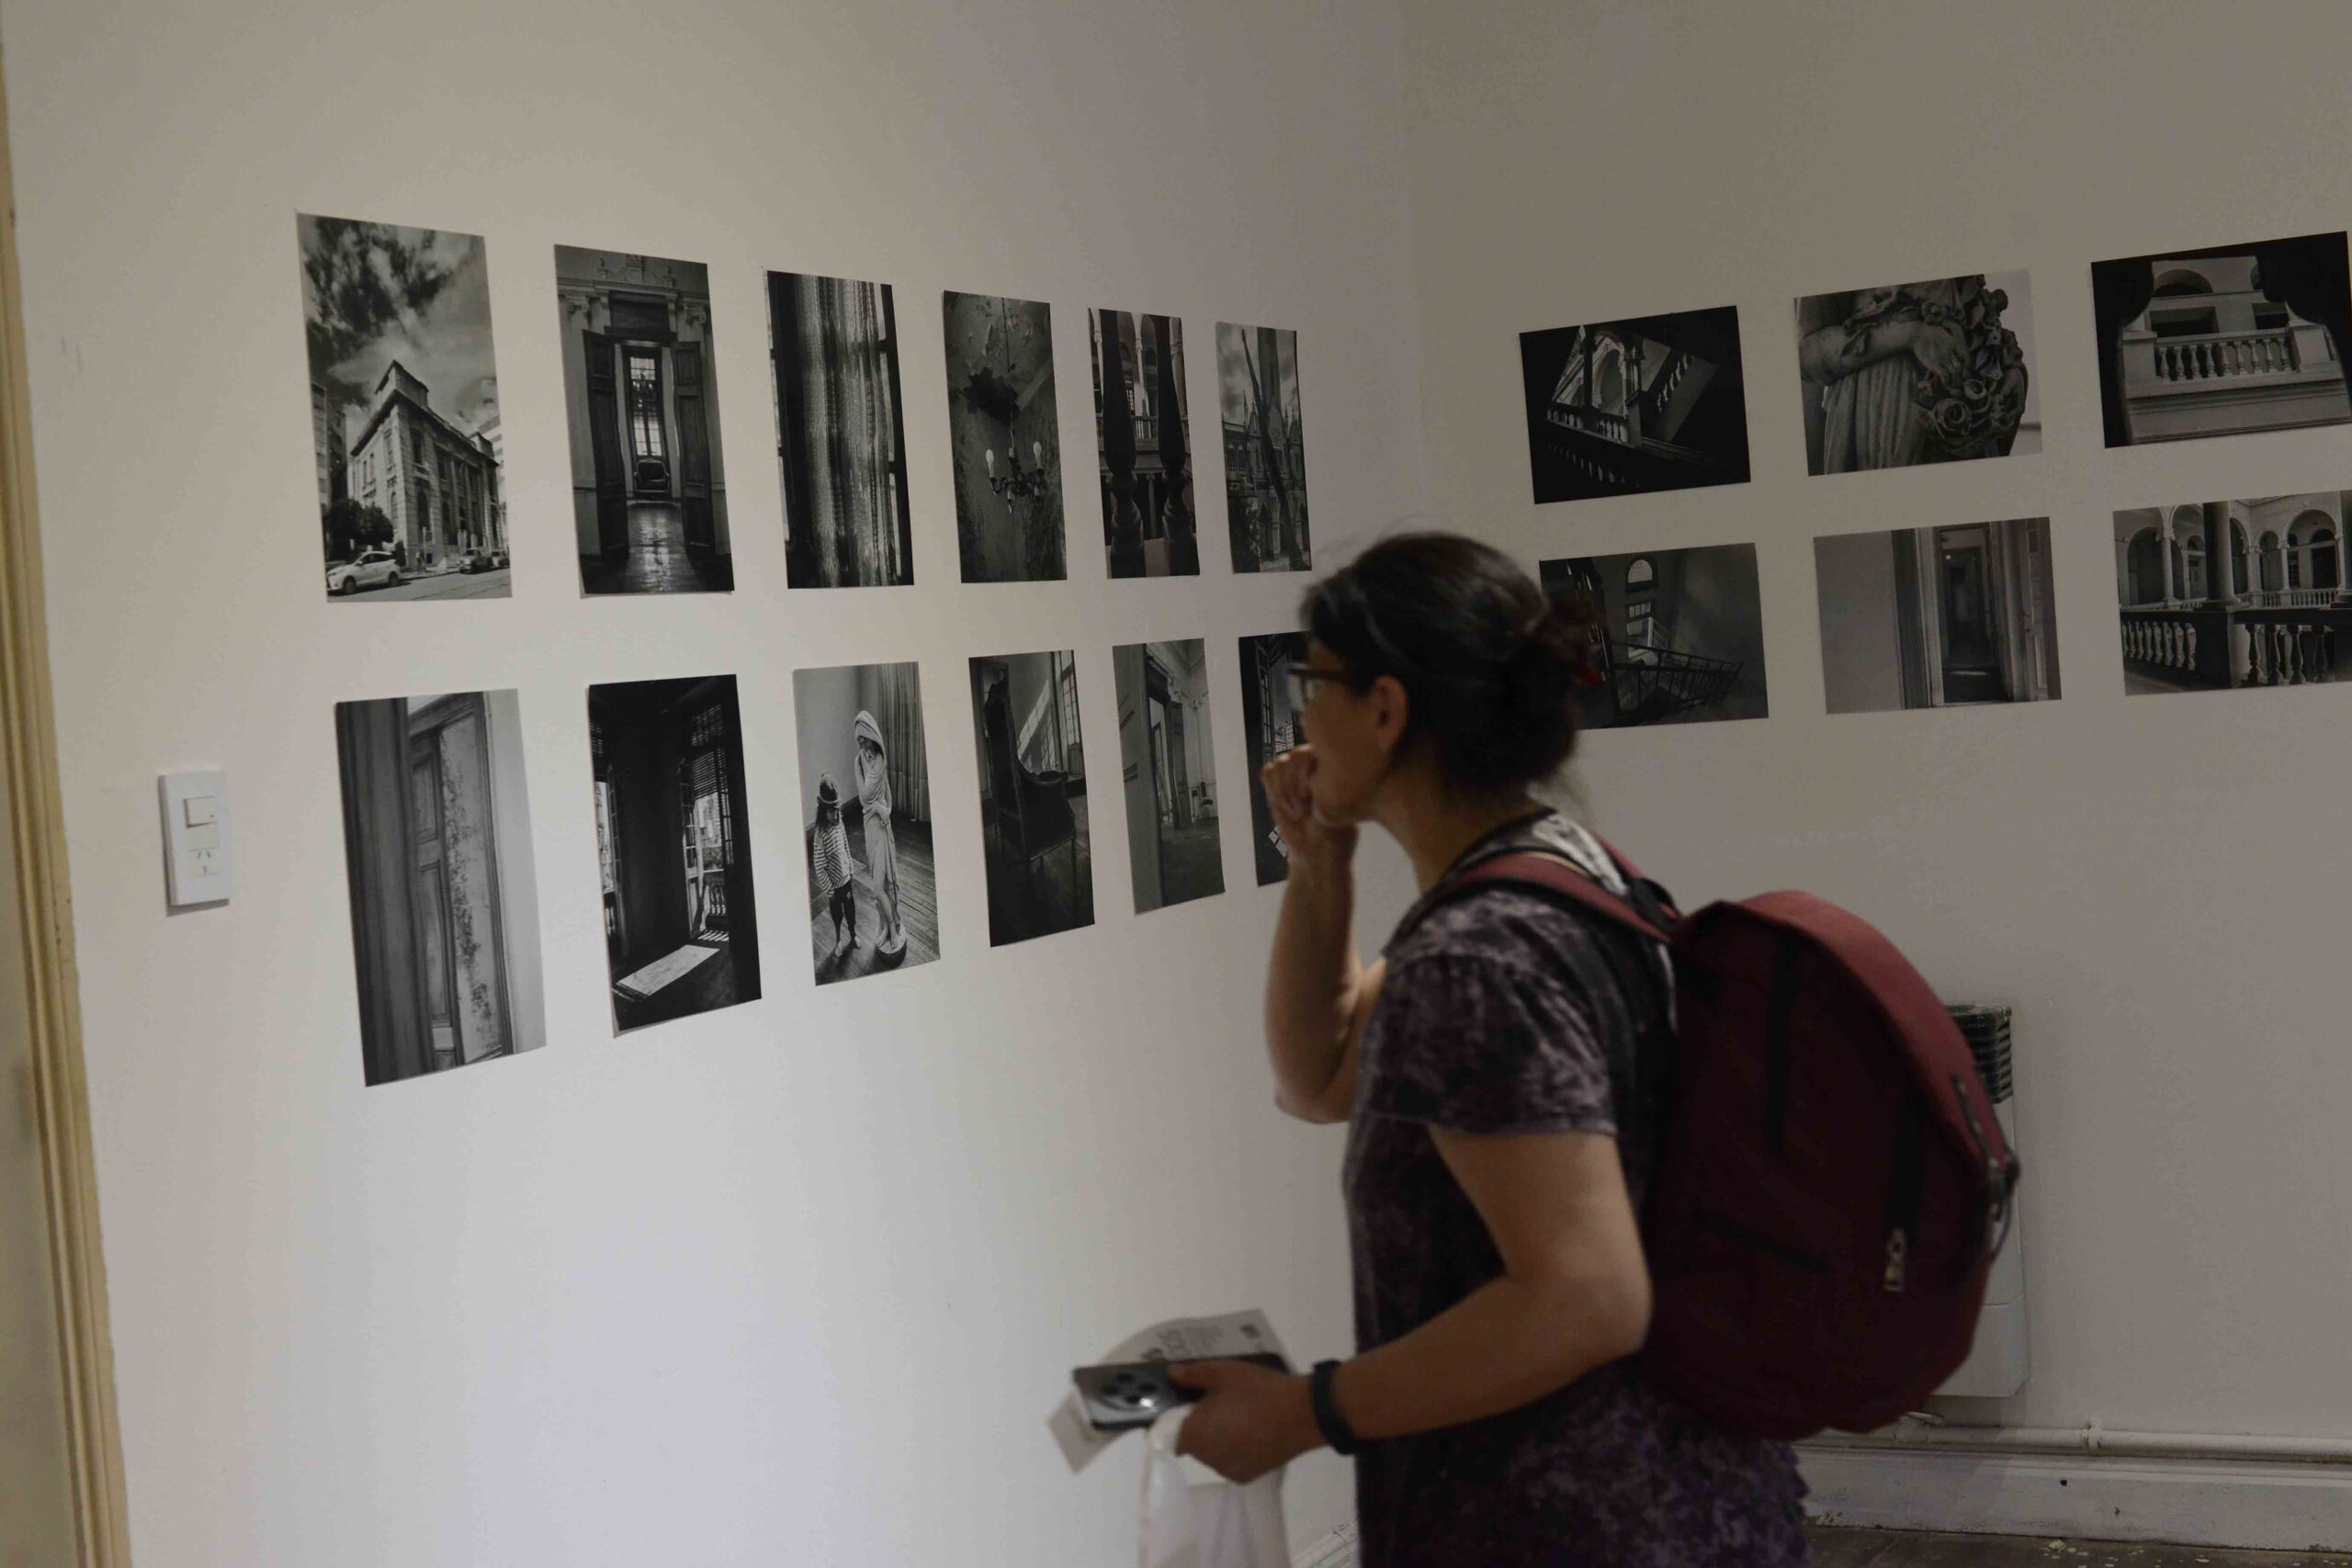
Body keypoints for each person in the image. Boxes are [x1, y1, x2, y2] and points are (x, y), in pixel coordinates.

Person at [1168, 533, 1810, 1565]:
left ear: (1384, 710)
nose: (1302, 718)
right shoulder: (1560, 872)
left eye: (1313, 686)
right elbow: (1319, 1075)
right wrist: (1319, 859)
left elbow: (1587, 1296)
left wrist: (1303, 1411)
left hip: (1574, 1523)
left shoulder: (1476, 956)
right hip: (1675, 1497)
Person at [853, 710, 903, 950]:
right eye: (858, 741)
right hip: (870, 825)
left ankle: (892, 928)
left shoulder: (879, 759)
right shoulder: (861, 758)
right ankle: (883, 924)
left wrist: (884, 811)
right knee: (878, 881)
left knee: (878, 885)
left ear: (871, 735)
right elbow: (873, 797)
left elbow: (866, 797)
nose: (861, 745)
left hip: (881, 828)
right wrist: (880, 808)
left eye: (863, 740)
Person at [810, 774, 858, 961]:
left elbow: (845, 846)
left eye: (837, 811)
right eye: (831, 812)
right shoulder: (820, 835)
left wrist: (851, 869)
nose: (836, 815)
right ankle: (838, 940)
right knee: (837, 915)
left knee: (851, 910)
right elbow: (819, 867)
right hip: (834, 889)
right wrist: (830, 891)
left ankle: (853, 934)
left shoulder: (839, 823)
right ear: (823, 811)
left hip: (847, 880)